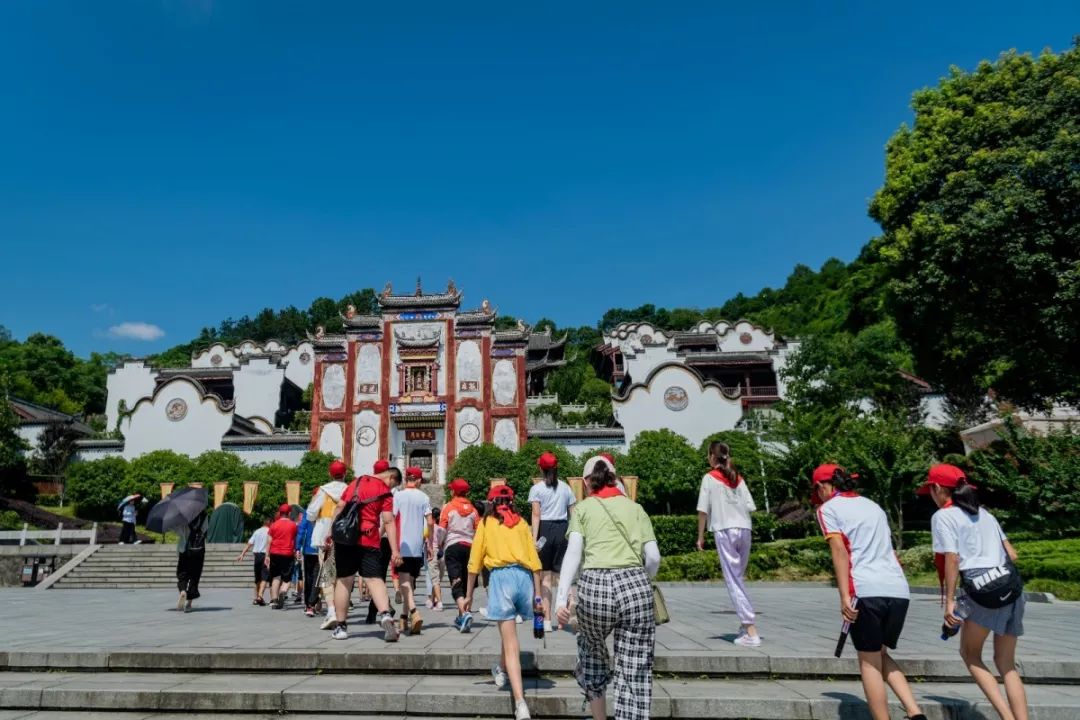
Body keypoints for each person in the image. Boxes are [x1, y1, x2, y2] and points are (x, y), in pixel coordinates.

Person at [813, 464, 927, 720]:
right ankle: (915, 712)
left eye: (817, 490)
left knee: (868, 662)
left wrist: (844, 596)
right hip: (898, 589)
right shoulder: (873, 505)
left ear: (823, 487)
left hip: (864, 590)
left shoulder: (828, 509)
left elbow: (839, 552)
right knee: (880, 654)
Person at [555, 458, 661, 720]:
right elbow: (654, 557)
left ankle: (599, 717)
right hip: (635, 584)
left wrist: (560, 600)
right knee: (634, 668)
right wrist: (639, 581)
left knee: (591, 648)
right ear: (617, 479)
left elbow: (574, 554)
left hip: (595, 587)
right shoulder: (636, 509)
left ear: (587, 482)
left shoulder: (583, 509)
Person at [921, 463, 1029, 720]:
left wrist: (949, 603)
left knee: (970, 654)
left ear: (937, 489)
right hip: (1012, 588)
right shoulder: (985, 514)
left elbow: (953, 558)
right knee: (1006, 664)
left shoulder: (943, 517)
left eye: (930, 491)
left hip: (981, 592)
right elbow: (1011, 553)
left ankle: (1007, 717)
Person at [464, 485, 542, 720]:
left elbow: (474, 560)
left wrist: (468, 595)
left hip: (501, 580)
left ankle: (520, 702)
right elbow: (534, 560)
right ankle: (500, 667)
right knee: (510, 636)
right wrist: (538, 596)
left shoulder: (486, 524)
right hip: (524, 580)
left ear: (491, 503)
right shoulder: (522, 523)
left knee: (511, 642)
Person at [695, 441, 760, 646]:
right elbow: (750, 506)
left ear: (712, 458)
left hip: (725, 529)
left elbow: (703, 510)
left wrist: (700, 536)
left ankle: (750, 630)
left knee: (734, 581)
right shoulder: (737, 478)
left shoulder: (709, 478)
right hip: (745, 529)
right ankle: (744, 626)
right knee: (738, 577)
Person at [332, 460, 400, 642]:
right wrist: (394, 550)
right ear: (391, 476)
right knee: (374, 579)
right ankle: (385, 614)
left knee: (344, 580)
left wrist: (331, 531)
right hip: (369, 537)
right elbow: (388, 521)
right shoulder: (384, 491)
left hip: (346, 539)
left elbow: (340, 506)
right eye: (393, 484)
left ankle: (340, 627)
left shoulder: (355, 482)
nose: (391, 487)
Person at [529, 451, 576, 632]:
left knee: (546, 579)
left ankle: (547, 621)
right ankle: (568, 611)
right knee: (564, 575)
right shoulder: (565, 488)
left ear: (541, 468)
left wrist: (534, 540)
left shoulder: (537, 489)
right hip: (563, 529)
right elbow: (574, 513)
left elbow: (536, 515)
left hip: (545, 531)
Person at [393, 466, 435, 636]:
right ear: (417, 480)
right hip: (417, 546)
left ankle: (414, 611)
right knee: (409, 583)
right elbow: (431, 522)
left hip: (401, 544)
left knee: (403, 581)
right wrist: (430, 543)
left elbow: (390, 518)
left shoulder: (398, 496)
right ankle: (403, 618)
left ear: (406, 479)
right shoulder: (424, 497)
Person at [309, 459, 350, 626]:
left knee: (327, 574)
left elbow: (311, 513)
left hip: (325, 538)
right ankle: (342, 613)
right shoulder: (350, 490)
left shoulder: (323, 491)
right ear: (345, 474)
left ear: (329, 474)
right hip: (346, 538)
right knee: (343, 577)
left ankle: (332, 610)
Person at [441, 478, 479, 632]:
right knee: (467, 584)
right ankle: (462, 616)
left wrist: (436, 545)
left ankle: (464, 613)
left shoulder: (448, 507)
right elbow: (478, 531)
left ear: (453, 491)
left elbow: (442, 529)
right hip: (470, 547)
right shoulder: (474, 510)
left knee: (456, 581)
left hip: (453, 547)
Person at [266, 503, 298, 610]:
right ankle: (283, 591)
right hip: (287, 553)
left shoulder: (273, 525)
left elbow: (269, 541)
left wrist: (267, 555)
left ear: (280, 513)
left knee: (275, 576)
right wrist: (297, 551)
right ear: (289, 513)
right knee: (287, 579)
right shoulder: (293, 525)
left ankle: (274, 600)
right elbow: (295, 539)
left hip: (274, 553)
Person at [176, 509, 208, 613]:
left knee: (182, 573)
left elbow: (178, 531)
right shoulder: (203, 515)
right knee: (195, 575)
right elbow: (205, 529)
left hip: (184, 549)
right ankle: (189, 603)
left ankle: (183, 590)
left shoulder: (182, 516)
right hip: (198, 550)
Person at [296, 492, 322, 617]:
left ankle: (309, 605)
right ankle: (312, 603)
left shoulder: (309, 511)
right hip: (320, 549)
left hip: (308, 549)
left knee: (309, 577)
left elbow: (302, 529)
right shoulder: (325, 510)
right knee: (317, 577)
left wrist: (297, 547)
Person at [237, 517, 271, 605]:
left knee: (257, 578)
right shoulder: (270, 531)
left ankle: (256, 598)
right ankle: (260, 596)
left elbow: (250, 543)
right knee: (265, 577)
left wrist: (242, 554)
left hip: (257, 556)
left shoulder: (257, 531)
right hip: (265, 555)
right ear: (269, 523)